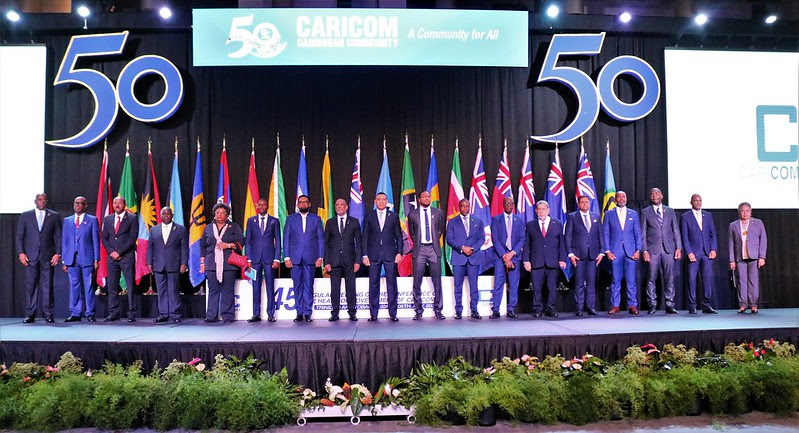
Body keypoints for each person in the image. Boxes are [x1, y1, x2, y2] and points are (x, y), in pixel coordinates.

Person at [16, 193, 62, 323]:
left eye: (44, 199)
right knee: (31, 285)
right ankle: (30, 314)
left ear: (47, 201)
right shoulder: (26, 215)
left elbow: (59, 236)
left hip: (48, 256)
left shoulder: (54, 216)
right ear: (35, 201)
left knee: (48, 285)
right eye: (40, 199)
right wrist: (21, 253)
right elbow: (19, 236)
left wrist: (58, 253)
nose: (42, 201)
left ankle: (48, 314)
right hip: (30, 256)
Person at [361, 192, 403, 321]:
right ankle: (373, 314)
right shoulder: (369, 216)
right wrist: (365, 255)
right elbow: (365, 236)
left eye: (383, 199)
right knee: (373, 285)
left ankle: (393, 314)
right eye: (378, 199)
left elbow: (399, 236)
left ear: (386, 201)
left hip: (390, 254)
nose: (381, 201)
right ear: (375, 201)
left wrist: (399, 252)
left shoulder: (393, 216)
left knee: (392, 284)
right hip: (373, 255)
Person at [200, 203, 244, 323]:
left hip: (229, 264)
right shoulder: (208, 228)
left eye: (223, 213)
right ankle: (211, 316)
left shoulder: (234, 227)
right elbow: (202, 246)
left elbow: (241, 243)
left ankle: (228, 316)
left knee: (227, 291)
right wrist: (202, 263)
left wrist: (228, 245)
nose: (220, 215)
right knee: (213, 290)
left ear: (227, 214)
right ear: (214, 214)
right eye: (218, 213)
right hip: (211, 264)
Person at [640, 188, 682, 314]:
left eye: (657, 193)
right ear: (650, 197)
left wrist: (678, 247)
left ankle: (670, 304)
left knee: (669, 278)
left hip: (669, 249)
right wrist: (644, 250)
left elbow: (675, 230)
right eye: (652, 194)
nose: (654, 196)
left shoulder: (670, 211)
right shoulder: (645, 212)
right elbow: (643, 233)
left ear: (662, 196)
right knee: (651, 278)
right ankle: (652, 304)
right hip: (653, 249)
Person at [283, 195, 324, 322]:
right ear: (297, 205)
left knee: (308, 286)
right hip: (295, 258)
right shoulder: (290, 219)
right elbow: (286, 238)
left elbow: (320, 239)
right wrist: (286, 257)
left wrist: (320, 256)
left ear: (309, 204)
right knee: (297, 286)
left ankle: (308, 313)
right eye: (300, 202)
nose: (303, 204)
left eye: (305, 202)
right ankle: (299, 312)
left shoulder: (316, 219)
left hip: (311, 258)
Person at [523, 201, 567, 318]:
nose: (541, 211)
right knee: (537, 288)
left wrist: (562, 259)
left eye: (543, 209)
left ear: (548, 210)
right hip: (536, 261)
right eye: (539, 209)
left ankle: (551, 308)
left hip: (553, 261)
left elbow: (562, 243)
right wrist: (526, 260)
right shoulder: (531, 225)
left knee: (552, 288)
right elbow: (526, 244)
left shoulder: (557, 223)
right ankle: (537, 309)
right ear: (536, 211)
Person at [407, 191, 447, 320]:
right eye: (424, 196)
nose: (427, 198)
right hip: (420, 249)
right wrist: (419, 243)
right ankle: (418, 311)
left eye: (428, 196)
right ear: (419, 199)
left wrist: (433, 242)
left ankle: (438, 310)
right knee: (417, 282)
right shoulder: (412, 214)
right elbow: (412, 233)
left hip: (433, 249)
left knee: (437, 281)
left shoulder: (438, 212)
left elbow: (440, 230)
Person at [147, 207, 188, 323]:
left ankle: (175, 314)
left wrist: (184, 263)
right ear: (160, 215)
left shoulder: (180, 229)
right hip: (158, 264)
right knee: (161, 290)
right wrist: (149, 263)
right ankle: (163, 314)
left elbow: (184, 248)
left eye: (168, 214)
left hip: (174, 263)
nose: (166, 215)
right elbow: (150, 248)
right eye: (163, 214)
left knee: (174, 290)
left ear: (172, 215)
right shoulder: (154, 230)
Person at [603, 191, 642, 315]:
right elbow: (606, 233)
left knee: (631, 280)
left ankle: (632, 305)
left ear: (626, 198)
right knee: (616, 280)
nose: (621, 199)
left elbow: (637, 233)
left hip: (631, 252)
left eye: (623, 197)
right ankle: (615, 306)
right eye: (619, 197)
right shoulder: (609, 214)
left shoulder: (633, 214)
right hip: (615, 252)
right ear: (615, 200)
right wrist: (607, 251)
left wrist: (638, 250)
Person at [564, 196, 604, 316]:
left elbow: (600, 235)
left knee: (591, 282)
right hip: (578, 255)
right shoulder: (572, 217)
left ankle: (591, 307)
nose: (585, 204)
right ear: (578, 204)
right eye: (582, 202)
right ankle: (579, 308)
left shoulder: (596, 217)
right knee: (579, 283)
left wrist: (602, 252)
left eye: (587, 202)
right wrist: (570, 253)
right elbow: (568, 236)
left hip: (593, 255)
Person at [445, 199, 485, 319]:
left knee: (474, 285)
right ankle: (458, 310)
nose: (465, 208)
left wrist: (473, 248)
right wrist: (462, 248)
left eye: (467, 206)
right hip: (459, 257)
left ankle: (474, 310)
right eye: (463, 206)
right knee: (458, 286)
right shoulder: (453, 222)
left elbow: (482, 238)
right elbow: (449, 239)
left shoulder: (478, 221)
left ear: (470, 207)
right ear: (459, 207)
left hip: (473, 257)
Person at [102, 196, 139, 322]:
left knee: (130, 285)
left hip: (126, 257)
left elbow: (132, 238)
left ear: (125, 204)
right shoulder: (108, 219)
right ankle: (114, 312)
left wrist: (119, 252)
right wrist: (112, 252)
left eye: (120, 203)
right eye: (115, 203)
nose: (117, 205)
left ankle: (132, 313)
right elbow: (104, 238)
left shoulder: (132, 218)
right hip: (112, 258)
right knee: (112, 286)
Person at [62, 196, 99, 322]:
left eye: (80, 203)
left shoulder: (92, 220)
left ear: (85, 205)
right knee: (74, 286)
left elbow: (95, 240)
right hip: (71, 259)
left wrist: (96, 259)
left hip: (87, 258)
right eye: (75, 203)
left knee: (88, 287)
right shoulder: (67, 221)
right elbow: (65, 241)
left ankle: (90, 313)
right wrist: (64, 260)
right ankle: (75, 313)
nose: (77, 205)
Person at [324, 199, 362, 322]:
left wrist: (358, 261)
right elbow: (326, 244)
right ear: (335, 208)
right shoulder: (330, 222)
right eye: (337, 205)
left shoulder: (354, 222)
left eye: (342, 205)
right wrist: (327, 262)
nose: (339, 207)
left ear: (346, 207)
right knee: (334, 289)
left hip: (350, 261)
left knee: (351, 288)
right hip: (334, 261)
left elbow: (359, 243)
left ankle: (352, 312)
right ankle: (334, 313)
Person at [244, 198, 281, 322]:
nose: (261, 207)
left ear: (267, 206)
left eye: (264, 205)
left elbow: (278, 241)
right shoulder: (251, 221)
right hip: (255, 260)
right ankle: (256, 314)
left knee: (270, 286)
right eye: (259, 205)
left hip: (269, 259)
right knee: (255, 286)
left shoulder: (274, 221)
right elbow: (248, 241)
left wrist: (277, 258)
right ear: (257, 206)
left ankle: (271, 314)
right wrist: (249, 259)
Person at [680, 194, 718, 314]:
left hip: (707, 253)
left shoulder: (708, 215)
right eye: (696, 200)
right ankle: (692, 305)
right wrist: (689, 252)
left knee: (707, 279)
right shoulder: (685, 216)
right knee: (692, 280)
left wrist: (713, 249)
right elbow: (684, 236)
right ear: (691, 202)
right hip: (693, 253)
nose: (698, 202)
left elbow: (712, 234)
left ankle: (707, 305)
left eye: (700, 200)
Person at [489, 196, 525, 319]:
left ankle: (511, 309)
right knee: (498, 283)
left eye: (510, 203)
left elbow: (522, 239)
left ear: (513, 205)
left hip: (514, 256)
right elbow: (495, 238)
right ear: (503, 205)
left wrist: (512, 253)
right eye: (506, 203)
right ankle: (495, 310)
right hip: (500, 257)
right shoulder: (496, 219)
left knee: (514, 284)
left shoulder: (519, 220)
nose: (508, 205)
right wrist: (504, 255)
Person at [728, 202, 767, 314]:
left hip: (754, 257)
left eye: (747, 211)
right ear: (739, 212)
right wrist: (732, 260)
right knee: (741, 281)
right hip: (740, 257)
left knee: (753, 281)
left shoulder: (758, 223)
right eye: (742, 211)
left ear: (751, 212)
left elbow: (763, 240)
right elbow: (731, 243)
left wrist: (762, 257)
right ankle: (743, 304)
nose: (744, 213)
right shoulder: (733, 225)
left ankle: (753, 304)